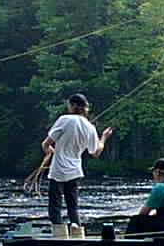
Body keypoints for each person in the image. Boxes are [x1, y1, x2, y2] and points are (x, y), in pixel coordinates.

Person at [41, 93, 113, 226]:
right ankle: (76, 232)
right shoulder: (90, 127)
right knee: (73, 207)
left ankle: (59, 234)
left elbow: (46, 144)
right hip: (75, 171)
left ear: (73, 105)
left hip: (58, 170)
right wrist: (104, 137)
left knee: (55, 207)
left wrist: (50, 151)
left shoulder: (64, 119)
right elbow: (96, 153)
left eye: (69, 105)